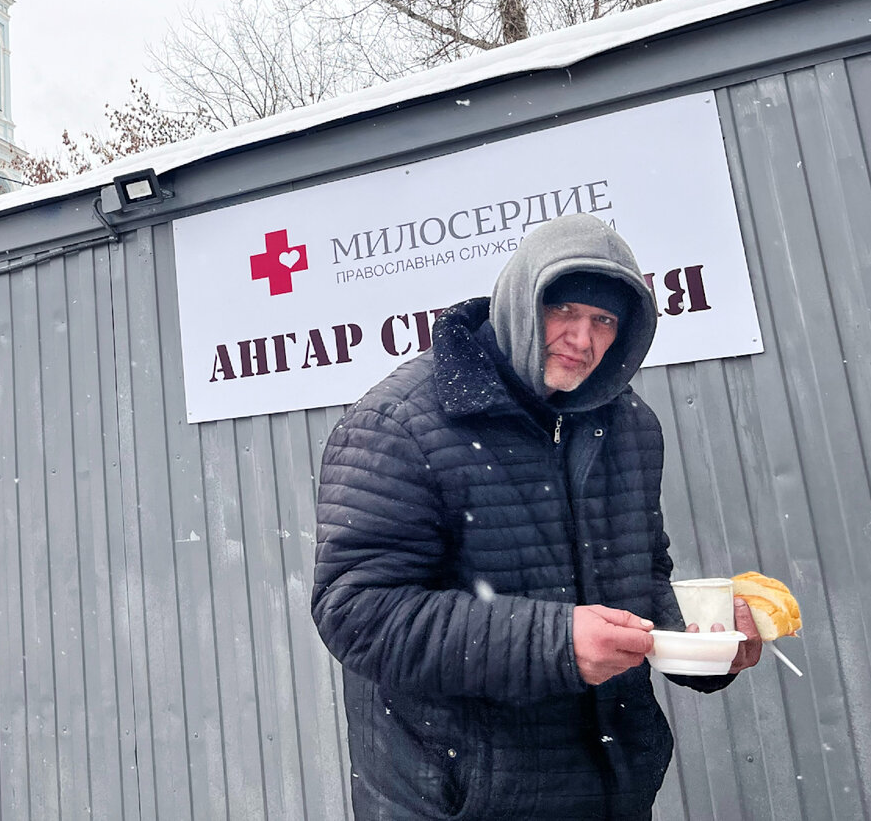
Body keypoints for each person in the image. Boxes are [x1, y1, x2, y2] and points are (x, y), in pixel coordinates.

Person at [311, 213, 762, 820]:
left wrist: (700, 643)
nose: (584, 339)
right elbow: (358, 612)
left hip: (610, 792)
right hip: (460, 801)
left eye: (604, 320)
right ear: (522, 302)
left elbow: (640, 573)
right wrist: (555, 643)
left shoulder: (629, 426)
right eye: (565, 312)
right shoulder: (397, 423)